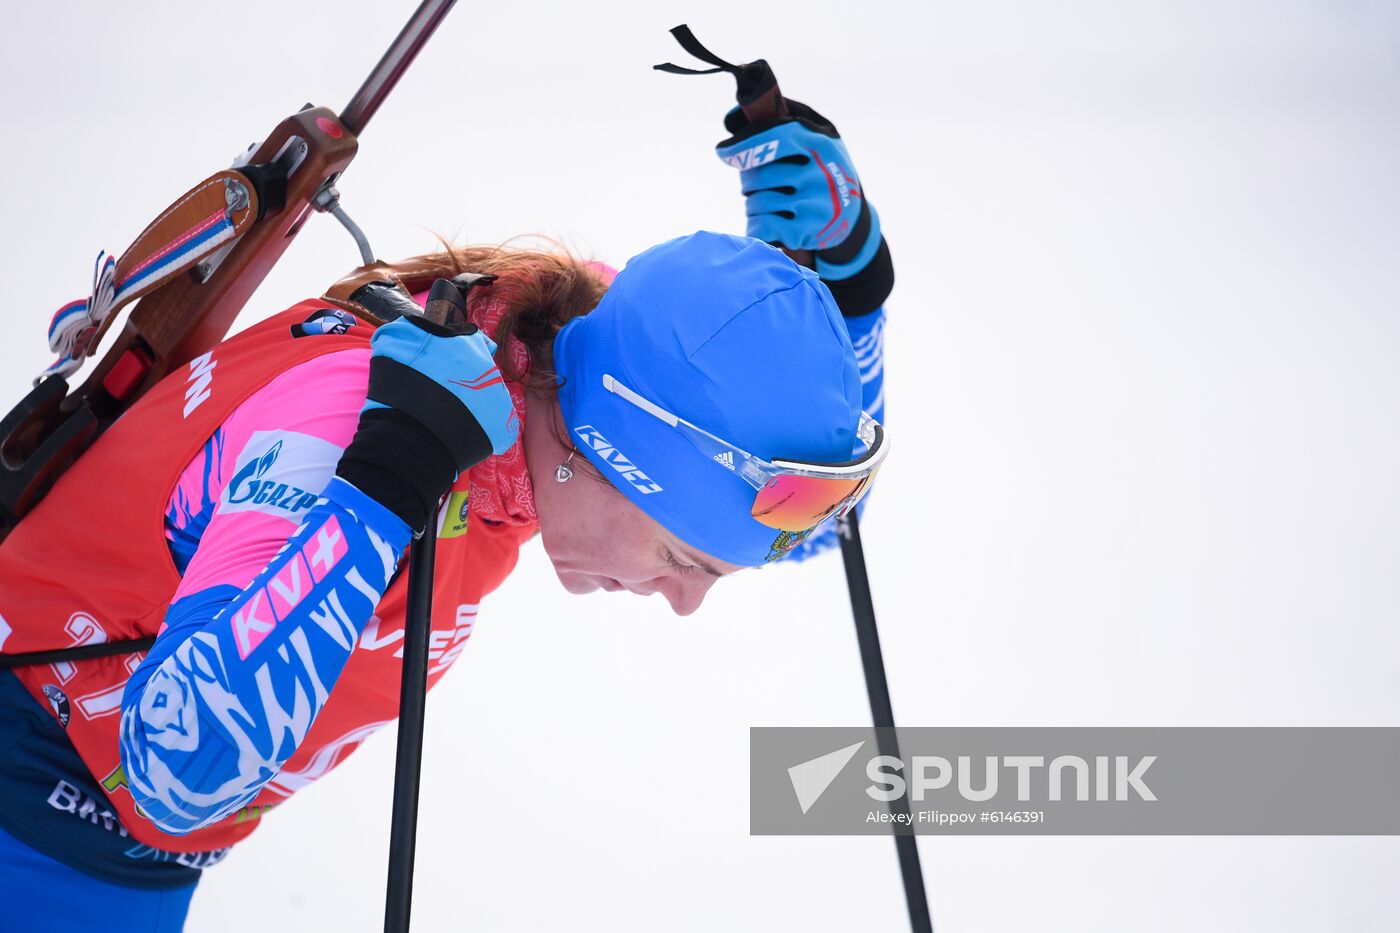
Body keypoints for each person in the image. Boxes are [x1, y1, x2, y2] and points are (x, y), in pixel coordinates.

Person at [0, 93, 892, 931]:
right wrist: (387, 484)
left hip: (119, 868)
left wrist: (841, 303)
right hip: (31, 824)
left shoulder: (567, 365)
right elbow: (178, 769)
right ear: (608, 460)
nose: (684, 599)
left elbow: (797, 519)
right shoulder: (350, 427)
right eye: (682, 559)